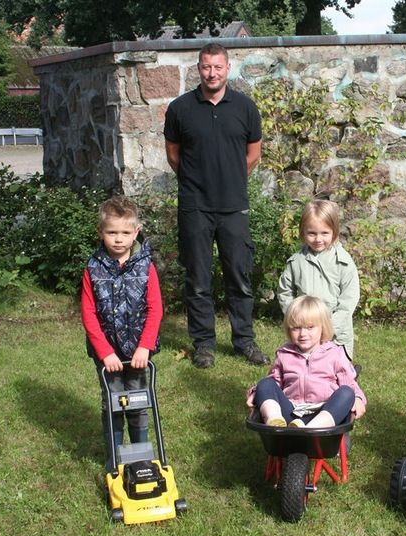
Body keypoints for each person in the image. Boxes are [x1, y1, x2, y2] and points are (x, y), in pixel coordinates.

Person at [163, 42, 268, 369]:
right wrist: (196, 183)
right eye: (206, 67)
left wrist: (232, 180)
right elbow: (173, 154)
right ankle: (204, 344)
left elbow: (254, 154)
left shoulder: (245, 107)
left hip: (233, 206)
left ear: (227, 68)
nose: (212, 73)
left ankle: (244, 342)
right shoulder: (180, 108)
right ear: (199, 68)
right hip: (195, 207)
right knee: (198, 279)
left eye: (218, 67)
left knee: (239, 276)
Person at [81, 196, 163, 471]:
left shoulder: (145, 266)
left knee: (139, 403)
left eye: (125, 233)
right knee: (113, 404)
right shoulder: (93, 269)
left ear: (136, 232)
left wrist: (145, 347)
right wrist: (105, 353)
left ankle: (140, 456)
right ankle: (115, 459)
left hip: (138, 352)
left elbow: (155, 309)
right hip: (108, 356)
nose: (118, 239)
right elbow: (89, 315)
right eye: (112, 232)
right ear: (100, 232)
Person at [246, 295, 367, 428]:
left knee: (347, 393)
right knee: (265, 383)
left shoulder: (335, 354)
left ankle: (311, 430)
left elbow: (349, 383)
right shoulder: (284, 354)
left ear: (323, 328)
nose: (303, 333)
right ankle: (274, 420)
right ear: (289, 329)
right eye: (296, 328)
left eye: (310, 327)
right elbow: (274, 382)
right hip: (290, 414)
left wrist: (358, 398)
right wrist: (257, 393)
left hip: (324, 413)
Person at [277, 200, 360, 360]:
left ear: (334, 232)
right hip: (305, 335)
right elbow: (284, 291)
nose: (318, 239)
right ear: (303, 232)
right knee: (306, 374)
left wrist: (328, 329)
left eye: (324, 233)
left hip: (336, 337)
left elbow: (348, 300)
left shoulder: (343, 262)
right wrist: (295, 318)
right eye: (312, 233)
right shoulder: (296, 262)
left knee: (335, 376)